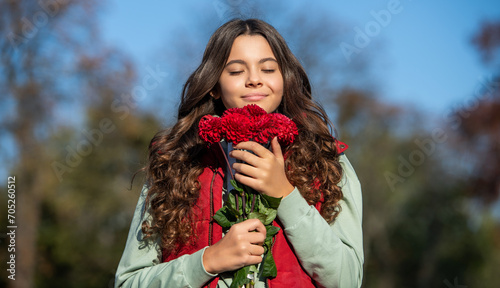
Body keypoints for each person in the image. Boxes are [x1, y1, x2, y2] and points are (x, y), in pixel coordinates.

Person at [115, 18, 363, 288]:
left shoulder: (327, 161)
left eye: (268, 69)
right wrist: (208, 261)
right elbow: (129, 282)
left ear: (285, 79)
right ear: (213, 86)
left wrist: (286, 196)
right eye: (235, 71)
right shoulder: (175, 164)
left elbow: (347, 279)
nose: (254, 80)